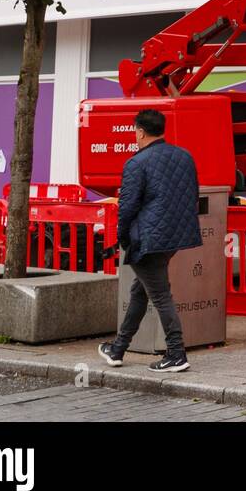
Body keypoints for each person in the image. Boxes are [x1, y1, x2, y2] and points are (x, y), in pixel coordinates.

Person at [98, 108, 203, 373]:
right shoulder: (184, 156)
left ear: (141, 131)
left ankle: (176, 353)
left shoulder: (136, 163)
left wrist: (123, 239)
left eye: (135, 131)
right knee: (140, 291)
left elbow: (127, 208)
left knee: (159, 295)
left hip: (147, 239)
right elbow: (191, 195)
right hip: (173, 238)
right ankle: (117, 349)